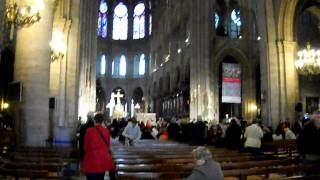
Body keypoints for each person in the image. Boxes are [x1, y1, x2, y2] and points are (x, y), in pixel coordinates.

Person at [81, 113, 114, 180]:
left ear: (94, 121)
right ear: (102, 121)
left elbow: (85, 147)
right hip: (102, 160)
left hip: (91, 160)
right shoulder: (106, 131)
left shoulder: (89, 131)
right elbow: (107, 146)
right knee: (100, 177)